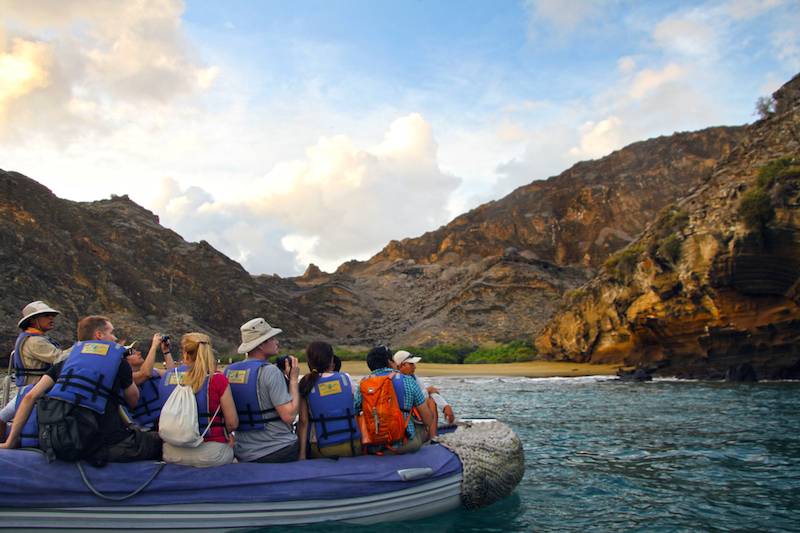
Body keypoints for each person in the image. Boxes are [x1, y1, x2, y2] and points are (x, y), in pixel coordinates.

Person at [0, 316, 162, 464]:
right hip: (109, 444)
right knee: (160, 441)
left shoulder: (64, 364)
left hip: (61, 442)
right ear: (99, 335)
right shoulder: (118, 363)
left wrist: (10, 442)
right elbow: (133, 401)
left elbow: (29, 397)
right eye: (112, 333)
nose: (115, 338)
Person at [223, 318, 300, 463]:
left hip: (243, 452)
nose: (276, 342)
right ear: (260, 344)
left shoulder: (228, 372)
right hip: (279, 449)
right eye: (272, 338)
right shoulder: (270, 372)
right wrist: (294, 380)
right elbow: (289, 416)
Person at [159, 333, 238, 468]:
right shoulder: (217, 379)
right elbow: (232, 424)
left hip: (172, 453)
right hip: (211, 454)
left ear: (185, 353)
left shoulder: (167, 377)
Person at [353, 346, 435, 455]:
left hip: (373, 446)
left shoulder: (363, 384)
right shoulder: (408, 380)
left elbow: (355, 414)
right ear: (390, 362)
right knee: (424, 416)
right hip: (404, 445)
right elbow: (428, 420)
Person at [297, 341, 362, 460]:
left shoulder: (305, 383)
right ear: (331, 360)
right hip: (352, 445)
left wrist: (301, 454)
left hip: (321, 449)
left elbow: (303, 422)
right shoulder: (346, 378)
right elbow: (353, 410)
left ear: (310, 361)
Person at [12, 301, 70, 387]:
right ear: (32, 320)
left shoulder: (32, 338)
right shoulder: (35, 341)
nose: (51, 318)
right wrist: (81, 345)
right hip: (37, 389)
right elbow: (60, 358)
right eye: (46, 315)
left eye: (52, 315)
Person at [124, 334, 175, 429]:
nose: (139, 353)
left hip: (162, 423)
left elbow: (170, 375)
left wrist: (166, 351)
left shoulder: (154, 371)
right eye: (133, 353)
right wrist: (154, 346)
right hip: (143, 429)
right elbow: (145, 374)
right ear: (125, 360)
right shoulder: (126, 377)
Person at [393, 350, 456, 425]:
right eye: (411, 364)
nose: (414, 367)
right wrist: (427, 390)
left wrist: (445, 406)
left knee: (431, 400)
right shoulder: (394, 379)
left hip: (412, 413)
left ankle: (432, 436)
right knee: (429, 401)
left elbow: (431, 392)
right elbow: (408, 399)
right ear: (400, 366)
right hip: (401, 416)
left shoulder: (413, 377)